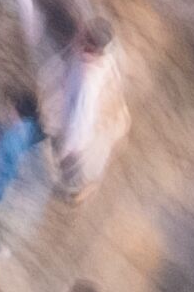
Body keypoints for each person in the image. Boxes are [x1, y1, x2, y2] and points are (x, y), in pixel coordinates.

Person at [39, 17, 131, 202]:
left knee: (63, 173)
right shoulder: (104, 60)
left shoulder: (87, 82)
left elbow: (80, 124)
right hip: (97, 130)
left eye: (84, 37)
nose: (79, 37)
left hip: (82, 142)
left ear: (91, 46)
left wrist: (64, 153)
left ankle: (72, 191)